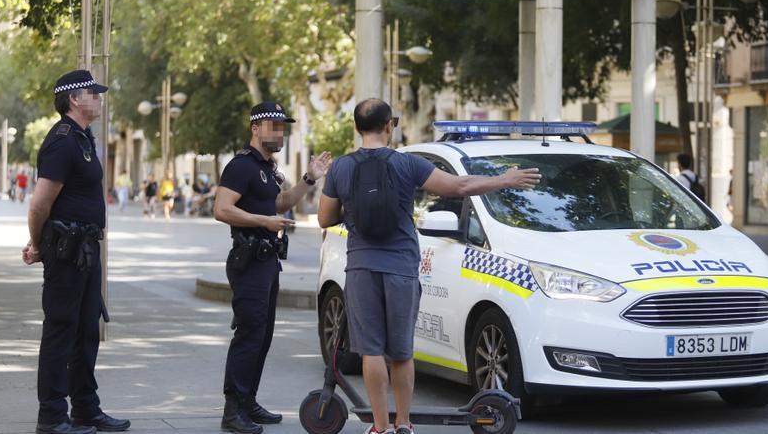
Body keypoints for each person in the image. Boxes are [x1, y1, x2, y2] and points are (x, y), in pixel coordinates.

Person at [318, 99, 541, 434]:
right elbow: (459, 187)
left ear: (356, 127)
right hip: (402, 268)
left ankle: (380, 427)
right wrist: (504, 180)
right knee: (402, 351)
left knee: (371, 351)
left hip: (361, 266)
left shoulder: (341, 168)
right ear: (389, 126)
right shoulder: (408, 164)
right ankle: (404, 423)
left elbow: (324, 218)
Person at [21, 70, 130, 434]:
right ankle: (51, 415)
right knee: (61, 330)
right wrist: (38, 246)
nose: (99, 98)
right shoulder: (62, 141)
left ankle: (85, 408)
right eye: (92, 93)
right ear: (73, 100)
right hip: (66, 252)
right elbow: (38, 205)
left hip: (84, 250)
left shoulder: (83, 139)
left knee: (85, 331)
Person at [213, 102, 332, 434]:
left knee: (262, 337)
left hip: (266, 262)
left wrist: (309, 178)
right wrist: (263, 221)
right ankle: (233, 409)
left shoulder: (267, 168)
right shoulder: (241, 166)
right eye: (273, 126)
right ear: (255, 128)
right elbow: (221, 209)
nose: (279, 132)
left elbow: (279, 203)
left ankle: (248, 401)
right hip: (248, 261)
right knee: (249, 335)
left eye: (282, 126)